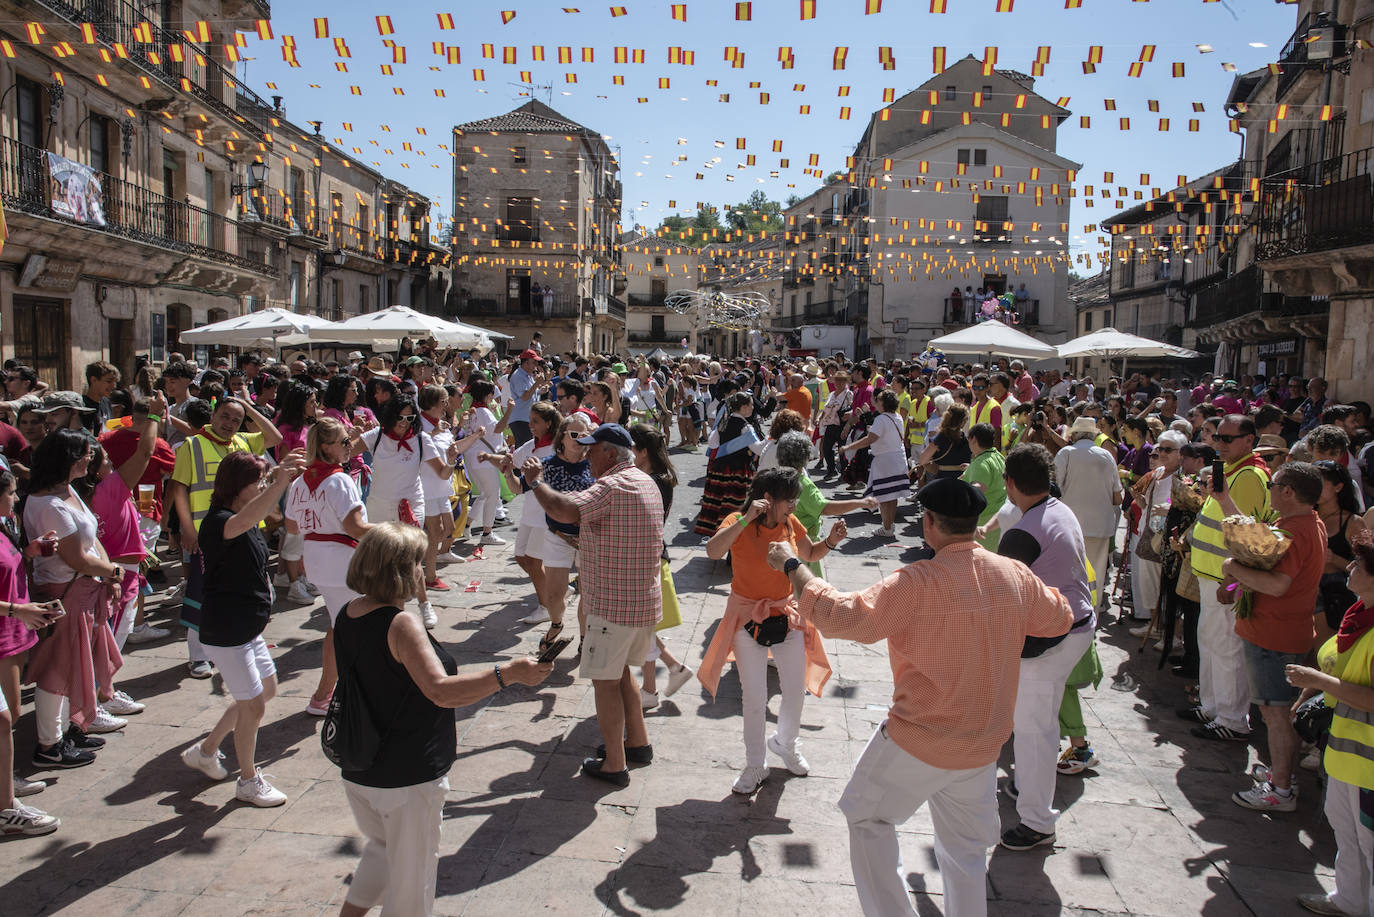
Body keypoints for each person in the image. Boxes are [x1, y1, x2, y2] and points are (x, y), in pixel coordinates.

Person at [764, 477, 1073, 916]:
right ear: (974, 522)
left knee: (867, 816)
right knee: (965, 854)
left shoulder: (917, 582)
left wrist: (794, 565)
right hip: (983, 742)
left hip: (921, 736)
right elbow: (1059, 616)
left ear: (929, 524)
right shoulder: (1013, 575)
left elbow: (844, 618)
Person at [521, 423, 663, 786]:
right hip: (641, 604)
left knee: (604, 682)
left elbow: (563, 508)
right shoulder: (645, 481)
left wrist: (536, 481)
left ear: (611, 453)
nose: (586, 454)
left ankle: (615, 764)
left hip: (613, 607)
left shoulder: (611, 486)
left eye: (592, 448)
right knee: (621, 675)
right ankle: (638, 744)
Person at [700, 468, 838, 794]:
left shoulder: (790, 523)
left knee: (794, 688)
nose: (794, 505)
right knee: (755, 696)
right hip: (746, 617)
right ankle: (755, 765)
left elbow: (811, 553)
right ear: (769, 498)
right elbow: (713, 551)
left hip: (786, 615)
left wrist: (831, 541)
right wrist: (747, 518)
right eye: (789, 499)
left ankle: (786, 743)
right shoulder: (738, 520)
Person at [180, 450, 305, 806]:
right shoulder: (219, 521)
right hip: (227, 631)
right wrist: (279, 481)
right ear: (238, 485)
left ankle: (205, 751)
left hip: (247, 630)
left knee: (264, 692)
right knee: (253, 707)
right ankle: (248, 781)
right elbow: (250, 517)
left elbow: (271, 515)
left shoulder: (245, 517)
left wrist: (283, 482)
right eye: (258, 481)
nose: (264, 486)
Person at [996, 444, 1098, 850]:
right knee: (1041, 723)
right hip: (1074, 627)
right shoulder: (1059, 508)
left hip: (1051, 638)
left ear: (1010, 483)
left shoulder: (1024, 531)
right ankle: (1028, 788)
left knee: (1033, 730)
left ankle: (1038, 821)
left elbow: (998, 594)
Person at [1222, 461, 1325, 812]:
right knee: (1281, 712)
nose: (1269, 491)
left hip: (1274, 634)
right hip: (1282, 631)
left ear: (1288, 491)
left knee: (1276, 714)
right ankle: (1284, 776)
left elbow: (1278, 585)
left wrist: (1232, 569)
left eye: (1273, 485)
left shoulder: (1296, 532)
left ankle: (1281, 789)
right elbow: (1258, 546)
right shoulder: (1307, 522)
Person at [24, 429, 128, 767]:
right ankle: (49, 746)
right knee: (57, 670)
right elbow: (76, 558)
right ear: (66, 458)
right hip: (64, 594)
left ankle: (71, 729)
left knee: (75, 666)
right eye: (84, 453)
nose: (90, 458)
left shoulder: (66, 491)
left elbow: (91, 537)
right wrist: (112, 572)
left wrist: (107, 570)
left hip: (83, 591)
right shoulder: (48, 504)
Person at [1287, 531, 1374, 916]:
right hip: (1345, 756)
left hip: (1368, 765)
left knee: (1369, 841)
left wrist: (1317, 683)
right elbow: (1337, 664)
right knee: (1347, 830)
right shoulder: (1359, 615)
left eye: (1359, 565)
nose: (1350, 568)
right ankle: (1349, 900)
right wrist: (1313, 691)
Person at [169, 394, 282, 678]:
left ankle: (237, 645)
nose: (230, 423)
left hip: (245, 531)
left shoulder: (243, 442)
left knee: (246, 590)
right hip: (207, 535)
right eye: (225, 416)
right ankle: (198, 656)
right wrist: (187, 528)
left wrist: (247, 407)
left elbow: (274, 437)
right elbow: (179, 489)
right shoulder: (192, 445)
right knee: (201, 594)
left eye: (236, 419)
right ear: (213, 416)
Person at [1183, 414, 1271, 742]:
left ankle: (1232, 717)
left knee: (1227, 647)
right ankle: (1212, 706)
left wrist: (1230, 581)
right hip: (1211, 573)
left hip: (1225, 577)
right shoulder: (1231, 470)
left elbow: (1246, 534)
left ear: (1249, 440)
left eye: (1227, 439)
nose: (1219, 444)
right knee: (1211, 641)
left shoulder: (1248, 475)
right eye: (1217, 438)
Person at [285, 417, 371, 717]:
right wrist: (393, 532)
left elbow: (292, 526)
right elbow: (356, 527)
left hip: (316, 557)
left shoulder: (299, 481)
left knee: (341, 625)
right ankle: (327, 694)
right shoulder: (339, 480)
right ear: (326, 447)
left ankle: (329, 692)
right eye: (344, 442)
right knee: (350, 628)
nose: (350, 446)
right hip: (342, 561)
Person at [0, 468, 63, 819]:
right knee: (6, 717)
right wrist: (17, 610)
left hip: (13, 630)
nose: (16, 499)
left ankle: (4, 783)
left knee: (7, 716)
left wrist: (30, 552)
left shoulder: (5, 527)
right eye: (11, 493)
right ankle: (5, 793)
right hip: (5, 630)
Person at [628, 424, 695, 707]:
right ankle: (672, 670)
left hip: (647, 557)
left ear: (643, 451)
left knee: (641, 628)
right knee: (642, 628)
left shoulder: (652, 481)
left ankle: (651, 690)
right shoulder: (658, 477)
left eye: (631, 448)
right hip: (649, 555)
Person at [775, 432, 876, 578]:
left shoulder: (777, 478)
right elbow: (825, 508)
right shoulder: (802, 484)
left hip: (782, 543)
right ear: (805, 457)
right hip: (805, 545)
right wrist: (859, 502)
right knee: (810, 591)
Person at [1054, 417, 1124, 612]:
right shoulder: (1107, 456)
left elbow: (1055, 488)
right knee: (1097, 573)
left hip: (1071, 524)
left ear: (1074, 435)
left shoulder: (1066, 453)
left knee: (1070, 572)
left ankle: (1071, 611)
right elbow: (1117, 497)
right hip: (1100, 525)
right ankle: (1091, 611)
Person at [842, 389, 906, 537]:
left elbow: (869, 440)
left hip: (885, 461)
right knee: (892, 495)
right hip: (897, 459)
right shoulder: (897, 417)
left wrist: (847, 447)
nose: (875, 401)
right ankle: (889, 526)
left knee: (884, 496)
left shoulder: (881, 419)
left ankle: (887, 527)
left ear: (883, 403)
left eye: (878, 399)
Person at [694, 392, 758, 536]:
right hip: (738, 471)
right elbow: (757, 449)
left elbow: (712, 443)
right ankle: (731, 534)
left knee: (717, 502)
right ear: (743, 407)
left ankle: (717, 533)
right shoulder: (746, 427)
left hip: (721, 469)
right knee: (734, 505)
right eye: (751, 405)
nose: (753, 408)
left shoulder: (723, 422)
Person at [962, 423, 1007, 550]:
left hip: (983, 524)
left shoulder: (981, 463)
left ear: (974, 439)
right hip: (998, 519)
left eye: (968, 439)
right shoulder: (998, 456)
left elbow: (977, 490)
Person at [917, 403, 971, 484]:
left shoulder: (941, 437)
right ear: (963, 421)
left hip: (943, 482)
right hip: (963, 481)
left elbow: (923, 460)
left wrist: (932, 467)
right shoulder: (966, 439)